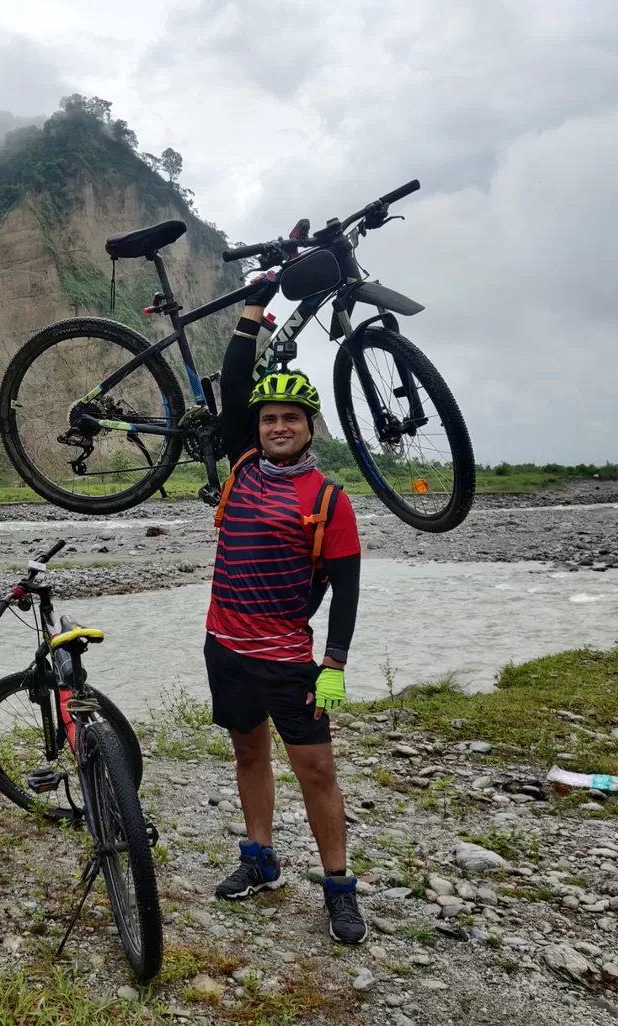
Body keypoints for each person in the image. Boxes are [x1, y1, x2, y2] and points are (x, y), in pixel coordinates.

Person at [205, 294, 366, 945]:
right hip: (225, 648)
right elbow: (237, 378)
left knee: (317, 770)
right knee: (248, 752)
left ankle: (338, 888)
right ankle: (260, 859)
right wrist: (250, 312)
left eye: (289, 419)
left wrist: (334, 665)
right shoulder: (241, 462)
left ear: (308, 425)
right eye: (268, 418)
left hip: (288, 659)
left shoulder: (330, 499)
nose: (276, 427)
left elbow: (348, 592)